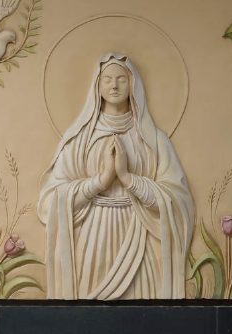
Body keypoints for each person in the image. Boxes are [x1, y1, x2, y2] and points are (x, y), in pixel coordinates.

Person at [38, 53, 195, 300]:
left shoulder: (154, 140)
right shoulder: (79, 140)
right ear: (97, 85)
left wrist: (128, 178)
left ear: (133, 85)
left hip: (138, 237)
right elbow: (51, 201)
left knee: (142, 307)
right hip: (92, 239)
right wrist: (100, 182)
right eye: (107, 79)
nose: (114, 86)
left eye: (121, 79)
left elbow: (176, 199)